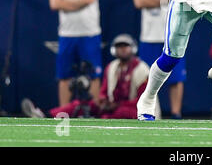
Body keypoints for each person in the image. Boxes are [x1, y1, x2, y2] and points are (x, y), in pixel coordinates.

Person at [22, 34, 161, 119]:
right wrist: (103, 101)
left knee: (121, 112)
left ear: (133, 48)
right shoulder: (112, 67)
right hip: (113, 106)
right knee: (81, 105)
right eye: (119, 46)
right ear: (114, 49)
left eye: (125, 46)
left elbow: (146, 98)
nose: (123, 49)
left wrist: (116, 105)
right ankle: (46, 115)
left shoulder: (142, 69)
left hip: (136, 108)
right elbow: (104, 91)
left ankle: (107, 118)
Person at [49, 0, 103, 107]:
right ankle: (63, 112)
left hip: (89, 33)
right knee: (64, 76)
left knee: (93, 75)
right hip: (67, 34)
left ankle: (94, 111)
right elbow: (54, 4)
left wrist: (66, 3)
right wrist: (78, 2)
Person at [133, 0, 184, 119]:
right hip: (149, 37)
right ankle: (150, 111)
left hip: (173, 35)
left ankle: (176, 113)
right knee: (148, 79)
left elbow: (181, 0)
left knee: (176, 78)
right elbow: (139, 2)